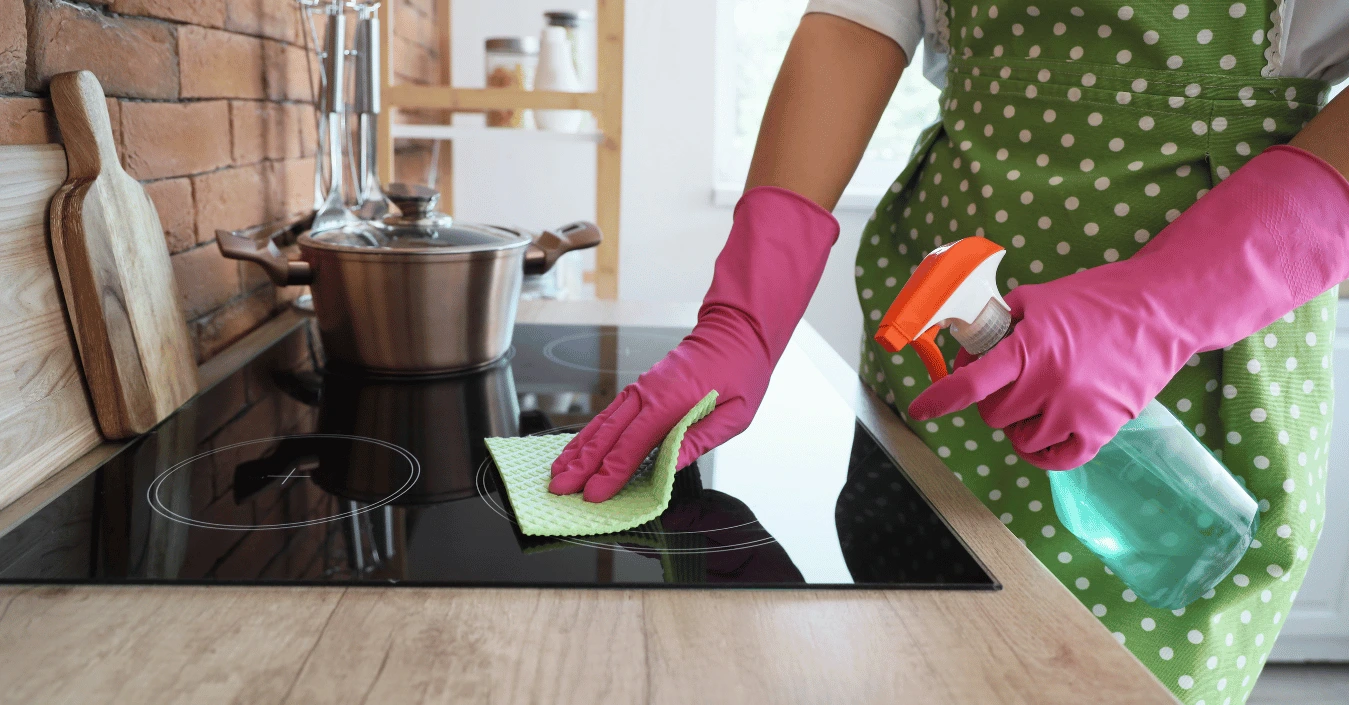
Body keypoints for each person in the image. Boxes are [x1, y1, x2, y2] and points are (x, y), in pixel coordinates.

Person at [550, 2, 1349, 702]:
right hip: (938, 340)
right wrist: (747, 312)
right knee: (904, 655)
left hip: (1197, 363)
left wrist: (1163, 303)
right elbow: (854, 24)